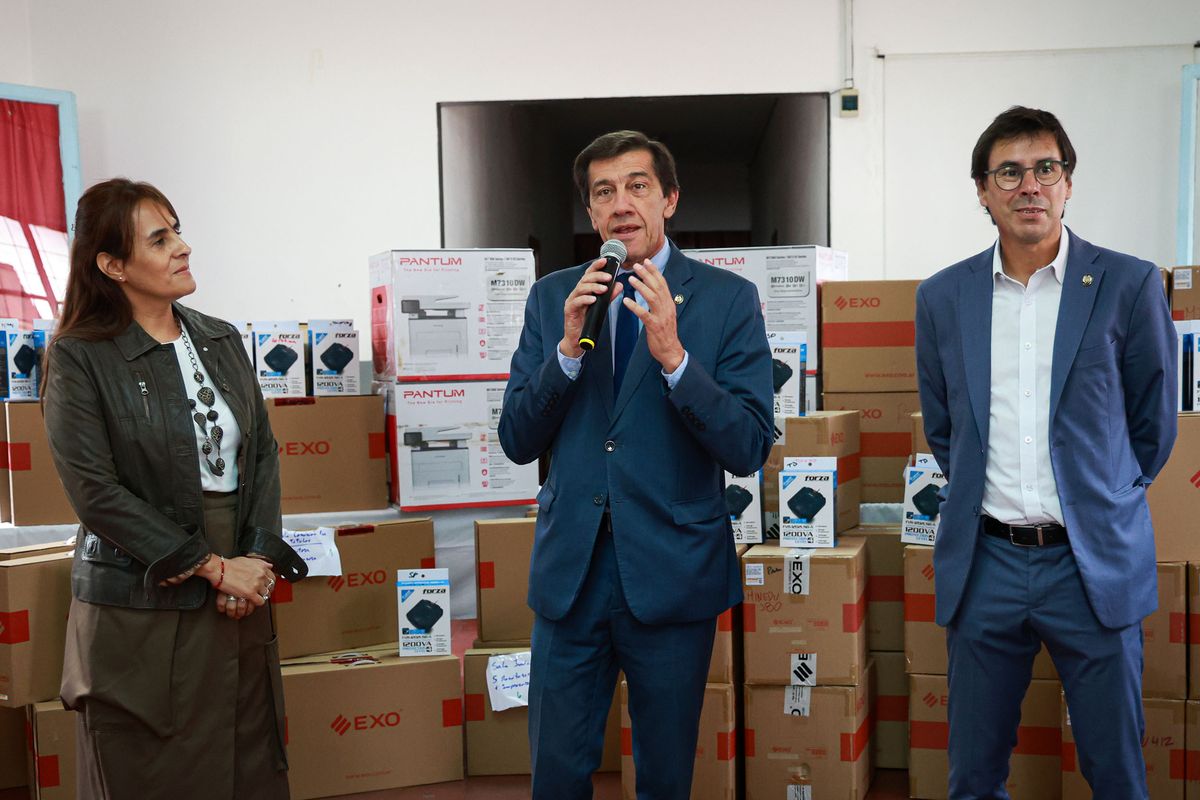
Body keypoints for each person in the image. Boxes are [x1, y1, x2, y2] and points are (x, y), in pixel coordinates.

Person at [499, 130, 773, 799]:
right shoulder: (554, 298)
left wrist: (676, 359)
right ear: (591, 213)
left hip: (673, 574)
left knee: (664, 777)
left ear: (670, 199)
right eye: (604, 192)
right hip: (571, 576)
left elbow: (748, 446)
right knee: (556, 774)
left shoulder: (728, 299)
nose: (621, 203)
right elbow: (516, 439)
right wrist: (566, 354)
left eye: (638, 186)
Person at [914, 106, 1177, 799]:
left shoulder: (1128, 284)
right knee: (973, 776)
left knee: (1116, 774)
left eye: (1045, 168)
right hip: (987, 563)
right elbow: (945, 429)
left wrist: (1105, 498)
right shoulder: (943, 297)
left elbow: (1154, 427)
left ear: (1068, 183)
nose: (1029, 185)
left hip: (1091, 563)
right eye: (1009, 172)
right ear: (983, 190)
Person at [42, 178, 308, 799]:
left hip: (236, 593)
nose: (182, 247)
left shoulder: (220, 338)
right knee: (154, 771)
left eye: (177, 231)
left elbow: (261, 454)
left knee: (247, 764)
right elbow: (96, 494)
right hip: (143, 600)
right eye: (159, 240)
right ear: (113, 266)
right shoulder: (80, 357)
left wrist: (254, 561)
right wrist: (216, 568)